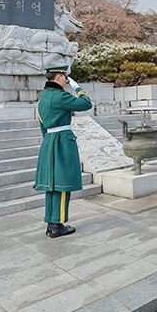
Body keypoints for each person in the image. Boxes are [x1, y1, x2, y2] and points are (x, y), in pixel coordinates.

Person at [34, 65, 92, 238]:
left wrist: (49, 140)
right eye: (66, 77)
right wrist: (77, 87)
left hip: (49, 141)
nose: (67, 80)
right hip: (63, 142)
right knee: (63, 185)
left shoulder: (42, 99)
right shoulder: (61, 96)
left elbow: (43, 126)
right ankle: (58, 225)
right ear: (58, 77)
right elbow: (86, 103)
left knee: (52, 186)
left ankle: (51, 224)